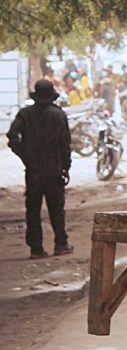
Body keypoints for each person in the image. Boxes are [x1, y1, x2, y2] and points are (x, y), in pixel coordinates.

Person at [7, 80, 73, 259]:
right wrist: (66, 167)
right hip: (54, 170)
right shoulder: (59, 115)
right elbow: (65, 145)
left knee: (33, 210)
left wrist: (25, 157)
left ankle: (36, 249)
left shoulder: (25, 114)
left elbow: (12, 137)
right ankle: (61, 243)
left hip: (34, 170)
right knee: (56, 208)